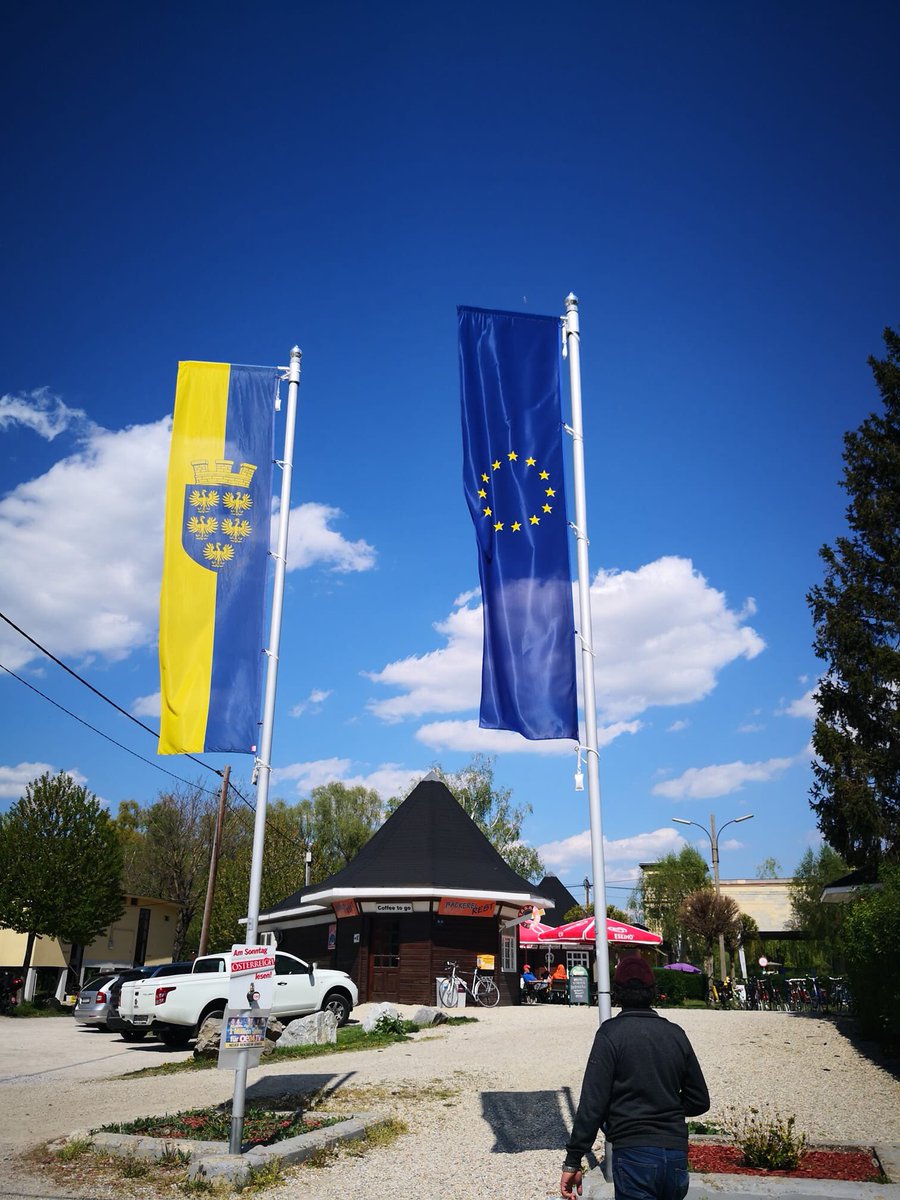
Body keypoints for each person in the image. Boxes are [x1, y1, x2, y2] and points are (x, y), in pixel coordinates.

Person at [559, 953, 709, 1200]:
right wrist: (667, 1106)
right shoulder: (676, 1034)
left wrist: (573, 1161)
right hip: (675, 1154)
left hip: (633, 1151)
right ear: (653, 991)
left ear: (616, 993)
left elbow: (592, 1104)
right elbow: (700, 1100)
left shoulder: (610, 1035)